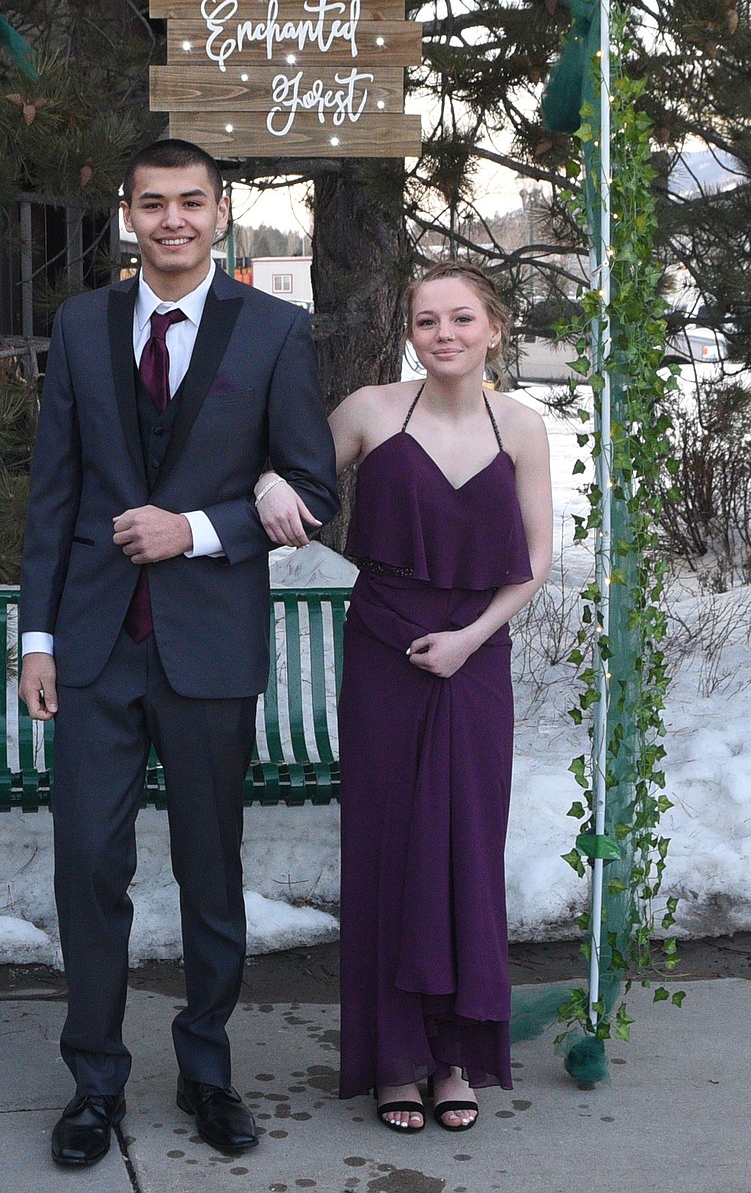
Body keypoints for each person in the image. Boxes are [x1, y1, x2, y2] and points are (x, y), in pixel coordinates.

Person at [19, 138, 339, 1169]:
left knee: (211, 869)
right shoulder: (81, 325)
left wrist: (197, 529)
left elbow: (313, 492)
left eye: (190, 203)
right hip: (96, 646)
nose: (172, 221)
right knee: (87, 868)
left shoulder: (278, 332)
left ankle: (207, 1070)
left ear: (222, 211)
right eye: (152, 204)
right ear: (128, 215)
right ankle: (93, 1082)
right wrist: (37, 637)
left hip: (208, 647)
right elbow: (55, 494)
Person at [256, 262, 552, 1134]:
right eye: (427, 320)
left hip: (476, 655)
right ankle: (394, 1058)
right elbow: (296, 478)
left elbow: (533, 562)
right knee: (389, 847)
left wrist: (469, 639)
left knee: (465, 850)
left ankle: (454, 1055)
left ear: (494, 327)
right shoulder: (374, 411)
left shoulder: (524, 427)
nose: (444, 333)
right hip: (386, 647)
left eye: (462, 318)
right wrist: (272, 482)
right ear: (411, 333)